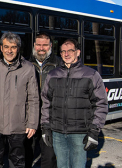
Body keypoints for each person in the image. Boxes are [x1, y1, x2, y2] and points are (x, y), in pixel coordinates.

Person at [41, 39, 108, 168]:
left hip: (80, 133)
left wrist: (94, 131)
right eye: (63, 51)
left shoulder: (91, 75)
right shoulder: (53, 75)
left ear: (78, 52)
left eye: (70, 50)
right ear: (60, 54)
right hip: (58, 133)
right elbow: (46, 102)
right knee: (62, 165)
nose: (66, 54)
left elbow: (101, 104)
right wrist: (45, 127)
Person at [0, 32, 39, 168]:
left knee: (17, 161)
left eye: (13, 47)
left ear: (18, 48)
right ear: (1, 48)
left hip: (18, 125)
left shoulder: (28, 68)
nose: (9, 51)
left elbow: (33, 98)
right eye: (6, 47)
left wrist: (32, 123)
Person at [27, 32, 60, 168]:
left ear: (50, 46)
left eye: (45, 45)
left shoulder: (59, 64)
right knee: (27, 153)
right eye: (39, 45)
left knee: (49, 157)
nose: (41, 48)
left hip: (51, 118)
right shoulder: (25, 63)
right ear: (34, 46)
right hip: (29, 117)